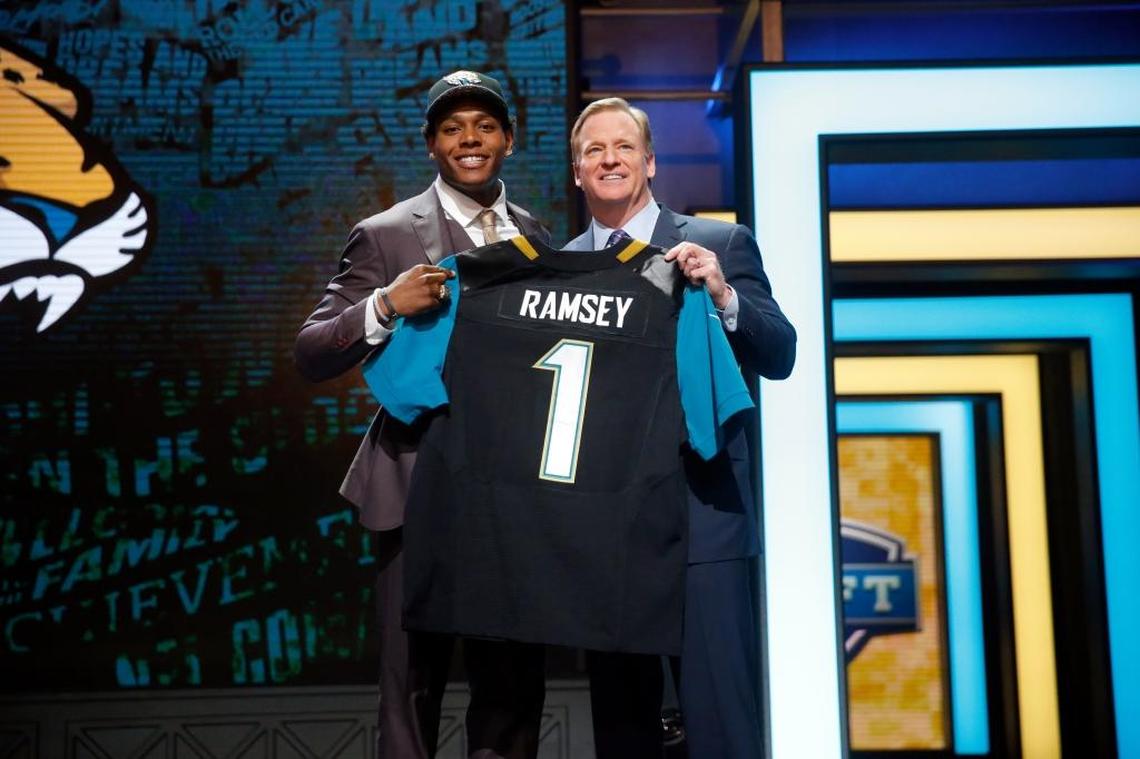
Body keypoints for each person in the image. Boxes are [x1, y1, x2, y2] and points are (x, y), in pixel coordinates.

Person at [294, 70, 550, 759]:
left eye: (485, 125)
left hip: (510, 493)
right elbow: (312, 350)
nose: (470, 138)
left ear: (510, 139)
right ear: (431, 144)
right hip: (414, 481)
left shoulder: (536, 233)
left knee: (513, 682)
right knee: (413, 683)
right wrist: (382, 306)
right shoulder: (383, 234)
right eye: (452, 127)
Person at [564, 98, 796, 758]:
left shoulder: (719, 242)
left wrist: (724, 295)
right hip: (608, 537)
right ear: (578, 171)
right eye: (594, 150)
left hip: (706, 522)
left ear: (651, 161)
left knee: (723, 723)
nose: (610, 158)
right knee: (625, 730)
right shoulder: (558, 269)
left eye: (624, 146)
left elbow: (780, 352)